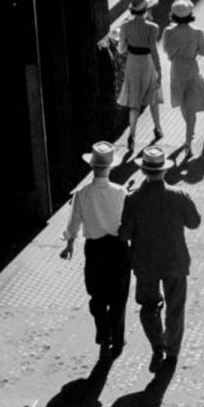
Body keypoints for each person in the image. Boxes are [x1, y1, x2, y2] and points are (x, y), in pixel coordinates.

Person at [119, 146, 201, 374]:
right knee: (176, 308)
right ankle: (173, 352)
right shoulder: (179, 196)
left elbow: (124, 234)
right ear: (164, 171)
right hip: (175, 261)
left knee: (148, 307)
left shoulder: (133, 200)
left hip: (145, 264)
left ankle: (157, 345)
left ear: (144, 171)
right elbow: (195, 222)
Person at [59, 142, 130, 360]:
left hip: (95, 249)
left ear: (92, 167)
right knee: (119, 297)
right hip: (118, 248)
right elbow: (128, 221)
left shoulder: (82, 194)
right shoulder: (121, 192)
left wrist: (69, 243)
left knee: (97, 295)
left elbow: (74, 222)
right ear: (110, 167)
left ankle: (103, 331)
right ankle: (117, 339)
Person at [116, 0, 163, 152]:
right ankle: (157, 128)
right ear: (146, 10)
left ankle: (132, 134)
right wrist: (159, 70)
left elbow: (121, 49)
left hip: (133, 63)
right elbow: (154, 51)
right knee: (153, 98)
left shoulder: (125, 26)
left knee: (134, 103)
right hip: (148, 63)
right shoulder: (153, 27)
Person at [162, 0, 204, 159]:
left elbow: (167, 52)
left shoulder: (168, 32)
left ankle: (189, 133)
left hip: (176, 70)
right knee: (192, 106)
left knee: (183, 103)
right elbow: (202, 52)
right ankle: (189, 139)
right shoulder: (197, 32)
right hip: (192, 69)